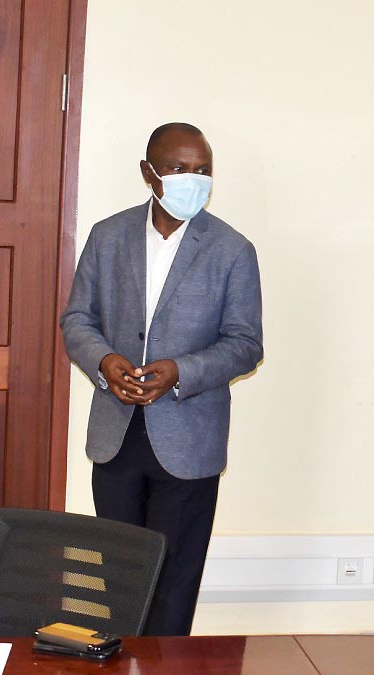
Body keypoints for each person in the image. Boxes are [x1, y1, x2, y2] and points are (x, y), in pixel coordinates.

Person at [60, 122, 264, 636]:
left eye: (202, 170)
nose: (192, 179)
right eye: (178, 168)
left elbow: (245, 343)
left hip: (189, 438)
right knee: (116, 578)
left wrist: (181, 372)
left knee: (174, 584)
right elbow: (76, 321)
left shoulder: (232, 250)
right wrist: (105, 362)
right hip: (116, 434)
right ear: (149, 173)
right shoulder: (108, 236)